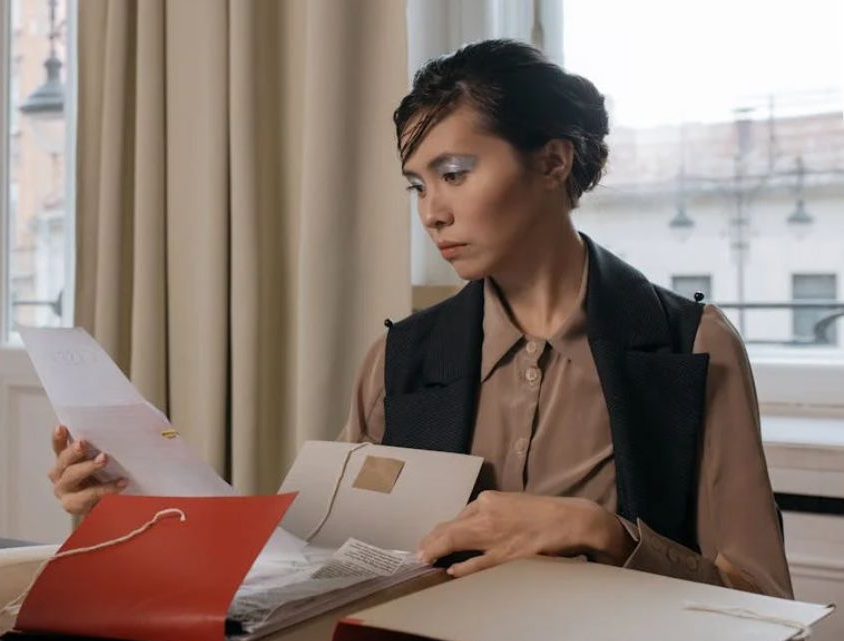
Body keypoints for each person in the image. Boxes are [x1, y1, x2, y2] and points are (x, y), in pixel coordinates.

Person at [48, 38, 792, 599]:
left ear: (553, 162)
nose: (432, 212)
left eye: (454, 173)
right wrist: (135, 512)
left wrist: (603, 534)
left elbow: (762, 603)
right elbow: (313, 567)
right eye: (416, 185)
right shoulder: (398, 360)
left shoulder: (690, 348)